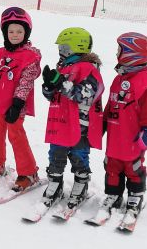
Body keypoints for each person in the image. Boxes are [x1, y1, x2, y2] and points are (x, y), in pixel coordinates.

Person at [99, 32, 147, 218]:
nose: (117, 53)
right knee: (111, 166)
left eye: (120, 50)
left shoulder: (146, 81)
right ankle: (113, 195)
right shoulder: (119, 78)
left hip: (132, 137)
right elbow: (110, 104)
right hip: (115, 136)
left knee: (133, 167)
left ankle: (135, 196)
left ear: (131, 54)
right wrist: (102, 125)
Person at [40, 27, 104, 209]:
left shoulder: (89, 69)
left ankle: (81, 184)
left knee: (78, 155)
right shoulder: (63, 67)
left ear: (77, 48)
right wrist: (49, 87)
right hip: (60, 122)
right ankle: (55, 183)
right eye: (60, 48)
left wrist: (61, 84)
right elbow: (53, 97)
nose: (61, 51)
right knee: (56, 154)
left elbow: (85, 94)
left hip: (80, 124)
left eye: (64, 48)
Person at [0, 7, 40, 190]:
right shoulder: (1, 52)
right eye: (11, 31)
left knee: (16, 136)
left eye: (19, 31)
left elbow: (26, 81)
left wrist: (18, 102)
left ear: (26, 32)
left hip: (14, 105)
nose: (15, 34)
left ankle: (28, 172)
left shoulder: (30, 56)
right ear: (5, 32)